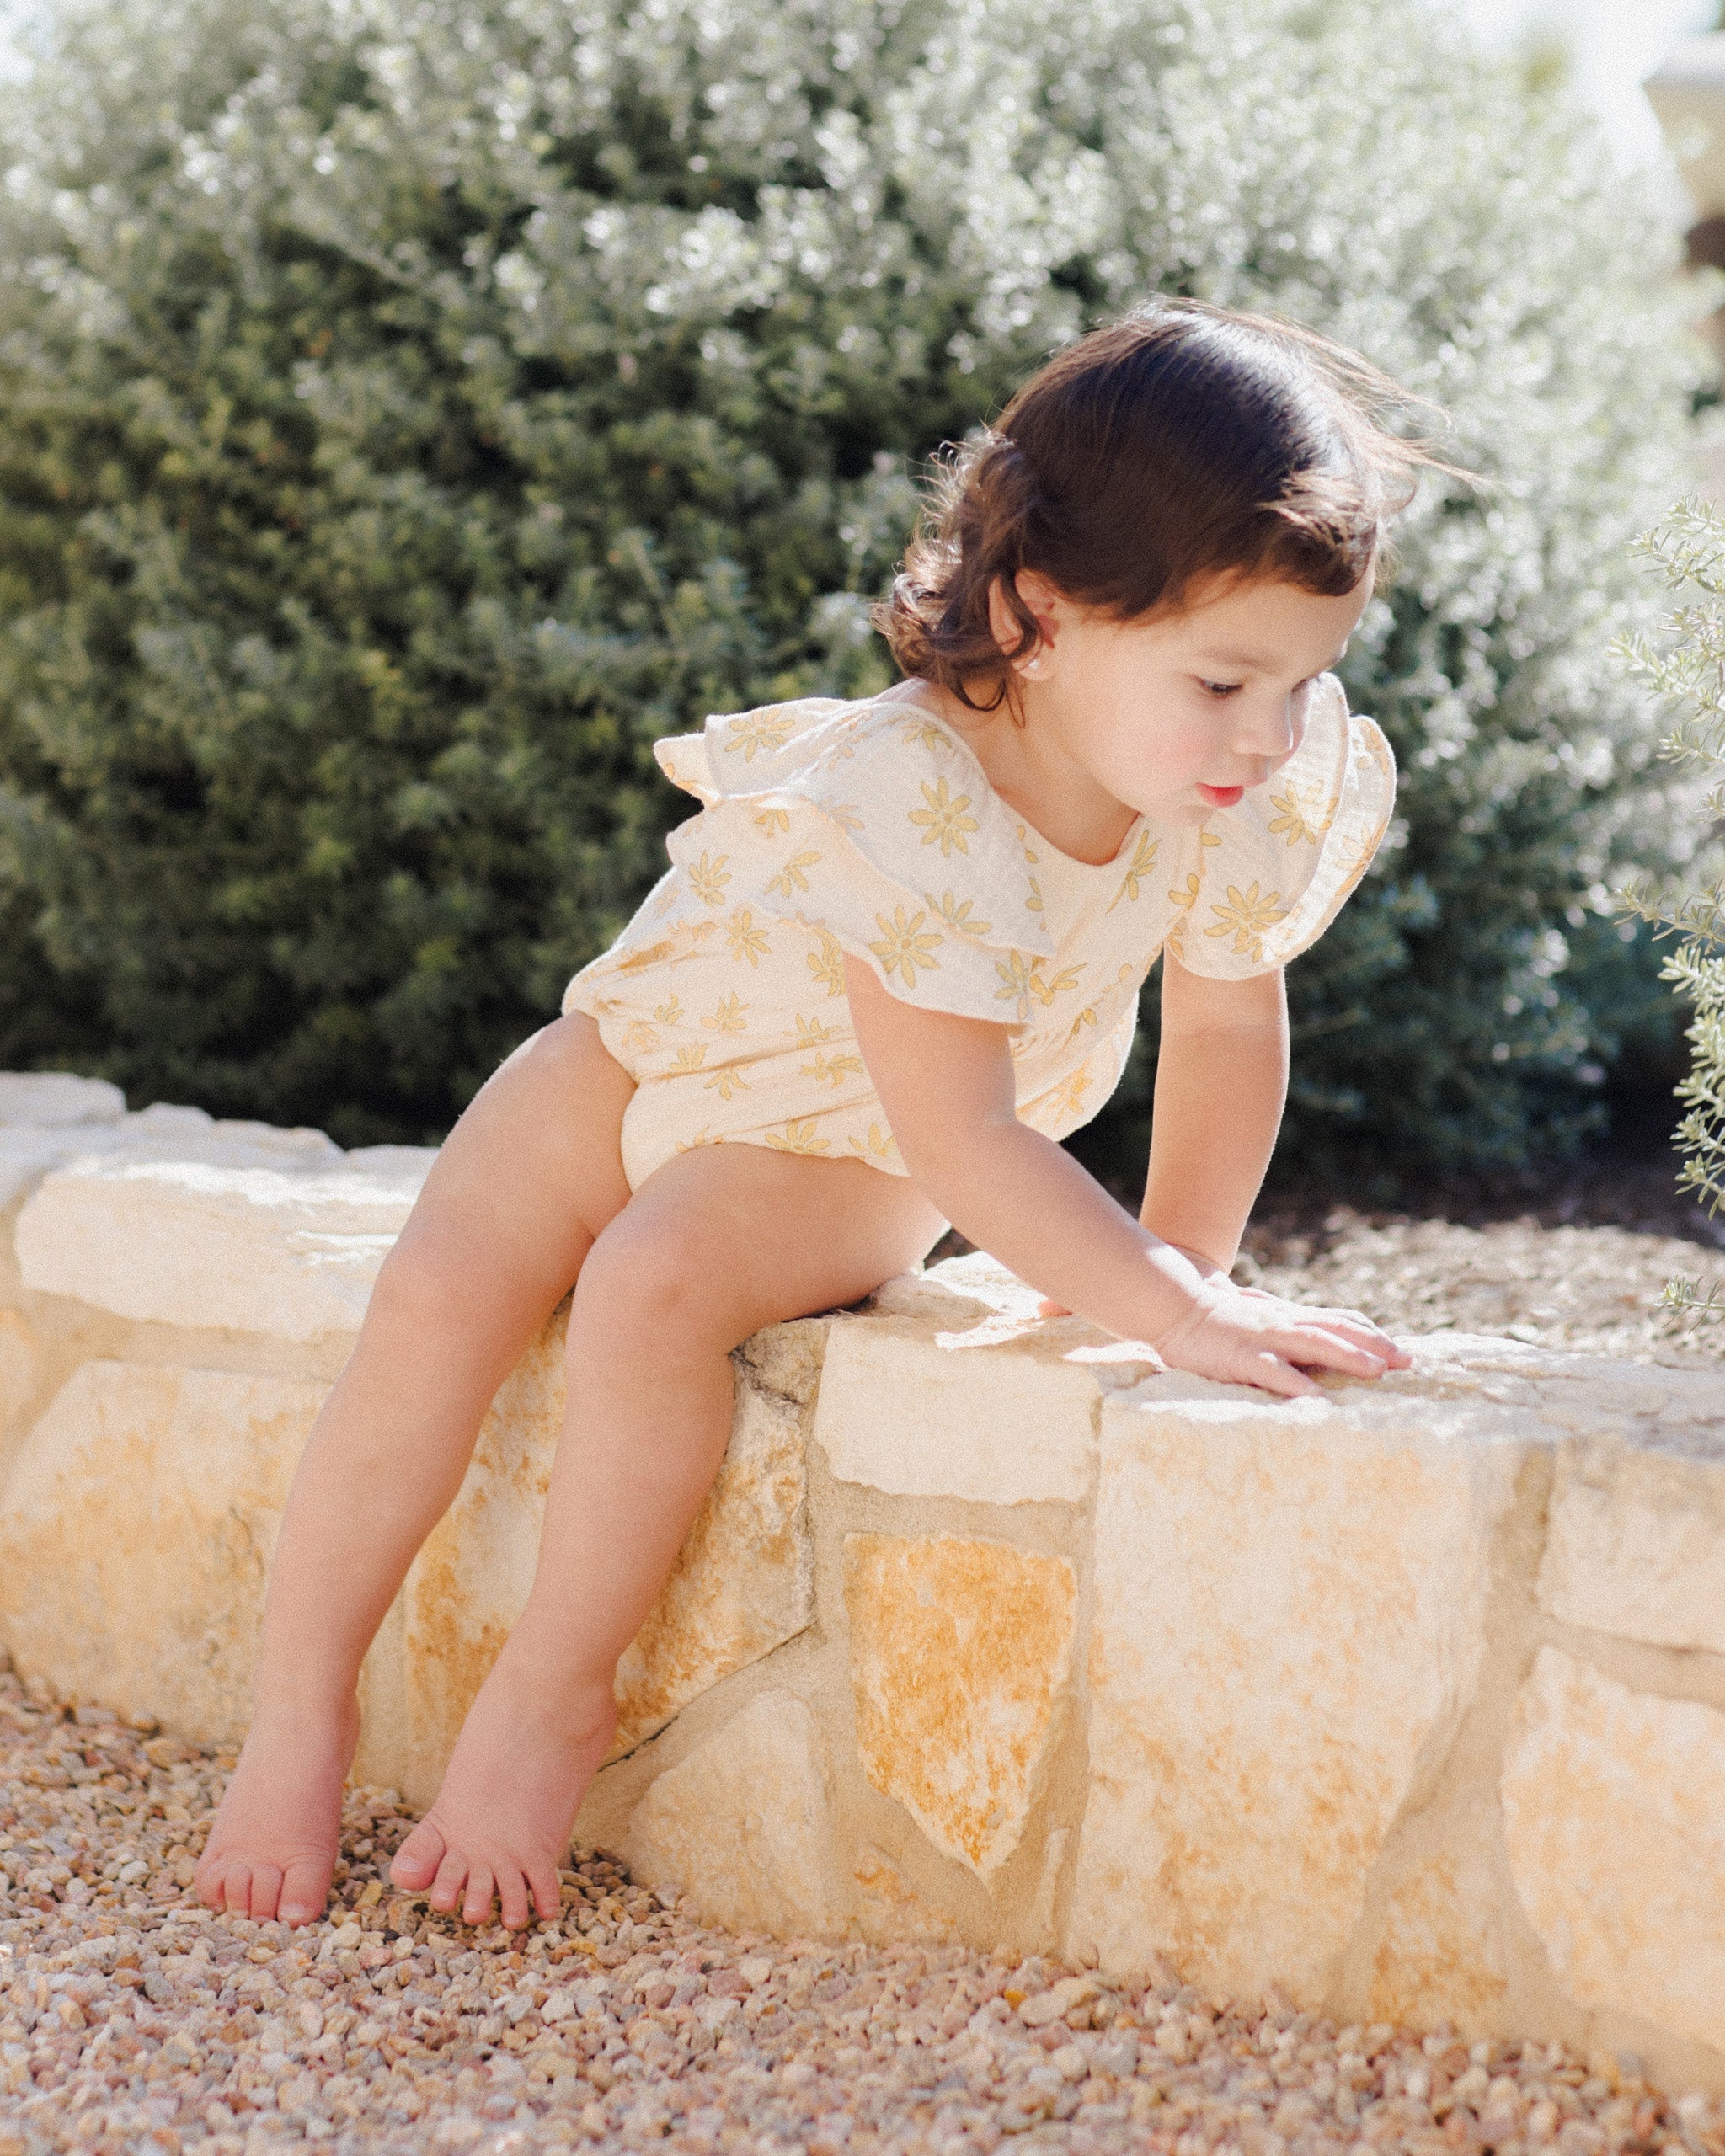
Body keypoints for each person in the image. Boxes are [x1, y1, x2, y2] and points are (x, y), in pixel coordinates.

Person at [197, 299, 1430, 1934]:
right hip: (664, 1035)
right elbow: (839, 1061)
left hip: (865, 1135)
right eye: (1226, 677)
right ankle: (299, 1705)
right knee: (430, 1293)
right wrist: (1164, 1287)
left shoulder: (1218, 792)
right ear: (1040, 612)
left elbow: (1181, 1043)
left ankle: (552, 1693)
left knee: (651, 1283)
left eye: (1300, 680)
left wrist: (1174, 1272)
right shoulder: (912, 784)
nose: (1272, 734)